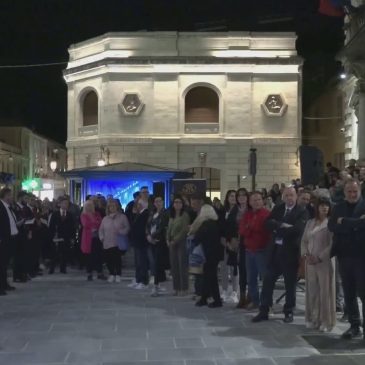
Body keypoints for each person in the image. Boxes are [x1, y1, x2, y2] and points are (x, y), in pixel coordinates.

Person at [252, 187, 309, 323]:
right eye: (286, 195)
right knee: (268, 281)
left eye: (291, 195)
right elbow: (267, 223)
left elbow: (297, 230)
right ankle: (264, 310)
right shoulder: (278, 208)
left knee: (290, 285)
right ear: (283, 197)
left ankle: (288, 311)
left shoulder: (302, 211)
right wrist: (282, 225)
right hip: (275, 252)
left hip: (290, 253)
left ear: (296, 197)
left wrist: (278, 228)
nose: (289, 198)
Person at [328, 179, 365, 340]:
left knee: (363, 293)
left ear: (360, 191)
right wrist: (356, 225)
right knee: (349, 293)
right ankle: (354, 325)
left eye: (355, 191)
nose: (352, 194)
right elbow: (331, 226)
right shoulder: (338, 207)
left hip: (362, 256)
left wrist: (344, 222)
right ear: (344, 192)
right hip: (344, 256)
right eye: (349, 191)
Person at [301, 197, 336, 332]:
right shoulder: (310, 223)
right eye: (322, 205)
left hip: (325, 262)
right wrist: (306, 255)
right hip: (310, 262)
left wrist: (320, 257)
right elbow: (304, 241)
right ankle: (312, 318)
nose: (324, 208)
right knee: (312, 291)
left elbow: (332, 244)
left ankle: (326, 321)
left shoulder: (331, 223)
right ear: (317, 207)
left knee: (325, 292)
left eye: (327, 205)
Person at [239, 192, 271, 310]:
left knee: (265, 278)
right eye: (254, 200)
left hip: (261, 251)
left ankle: (266, 302)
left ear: (262, 201)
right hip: (249, 251)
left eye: (259, 199)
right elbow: (242, 231)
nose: (257, 202)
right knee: (251, 279)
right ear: (250, 202)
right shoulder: (247, 214)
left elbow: (261, 229)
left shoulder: (267, 214)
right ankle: (255, 301)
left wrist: (250, 227)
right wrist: (250, 227)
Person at [193, 204, 223, 308]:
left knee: (211, 277)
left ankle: (217, 300)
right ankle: (204, 298)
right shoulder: (215, 224)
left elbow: (197, 238)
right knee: (208, 275)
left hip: (209, 254)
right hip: (215, 253)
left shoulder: (205, 225)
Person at [99, 199, 130, 283]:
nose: (112, 208)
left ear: (117, 207)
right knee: (109, 259)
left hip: (117, 242)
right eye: (110, 207)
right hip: (107, 242)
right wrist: (102, 237)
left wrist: (121, 232)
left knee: (117, 259)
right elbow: (101, 230)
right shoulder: (105, 218)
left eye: (113, 206)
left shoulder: (122, 217)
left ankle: (118, 275)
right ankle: (112, 274)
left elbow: (127, 228)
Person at [166, 196, 190, 296]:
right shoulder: (171, 216)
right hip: (171, 242)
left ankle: (184, 288)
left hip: (181, 242)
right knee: (174, 266)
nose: (177, 204)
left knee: (182, 266)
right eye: (175, 202)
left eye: (179, 202)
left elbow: (184, 230)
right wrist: (167, 239)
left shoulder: (184, 215)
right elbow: (168, 229)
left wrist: (175, 240)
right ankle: (176, 288)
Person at [146, 196, 169, 296]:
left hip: (160, 241)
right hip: (151, 241)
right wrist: (148, 235)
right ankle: (157, 284)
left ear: (163, 202)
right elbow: (147, 225)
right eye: (156, 201)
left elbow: (163, 227)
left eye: (160, 201)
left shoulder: (165, 213)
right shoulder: (152, 213)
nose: (158, 203)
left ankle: (156, 285)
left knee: (157, 263)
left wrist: (154, 236)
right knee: (154, 263)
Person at [221, 190, 240, 304]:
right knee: (223, 267)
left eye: (234, 196)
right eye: (231, 196)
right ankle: (224, 290)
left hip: (234, 242)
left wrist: (233, 242)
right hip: (223, 242)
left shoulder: (238, 211)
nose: (233, 198)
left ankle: (234, 292)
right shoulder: (223, 211)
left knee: (234, 268)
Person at [48, 197, 76, 274]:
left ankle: (63, 268)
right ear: (60, 204)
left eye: (67, 204)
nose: (65, 205)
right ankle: (52, 268)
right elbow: (51, 226)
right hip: (56, 236)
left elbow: (72, 227)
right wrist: (51, 236)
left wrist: (72, 237)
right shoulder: (55, 214)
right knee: (54, 253)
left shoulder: (70, 215)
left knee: (64, 253)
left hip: (66, 237)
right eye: (64, 203)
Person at [0, 188, 18, 295]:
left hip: (9, 238)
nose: (11, 197)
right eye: (10, 195)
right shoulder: (1, 207)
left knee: (5, 264)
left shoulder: (7, 207)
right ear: (5, 196)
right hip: (3, 239)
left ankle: (5, 284)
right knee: (1, 264)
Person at [129, 199, 150, 289]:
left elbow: (142, 229)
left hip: (142, 242)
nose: (136, 206)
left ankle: (143, 281)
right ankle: (138, 279)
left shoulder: (145, 214)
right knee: (138, 262)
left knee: (142, 262)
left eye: (138, 204)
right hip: (137, 241)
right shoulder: (139, 214)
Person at [80, 200, 103, 281]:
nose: (89, 207)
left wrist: (93, 224)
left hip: (97, 238)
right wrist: (95, 223)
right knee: (89, 257)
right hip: (88, 239)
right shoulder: (83, 215)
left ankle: (100, 273)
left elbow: (101, 223)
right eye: (87, 205)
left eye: (90, 205)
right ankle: (89, 273)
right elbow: (85, 224)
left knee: (98, 256)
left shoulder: (97, 214)